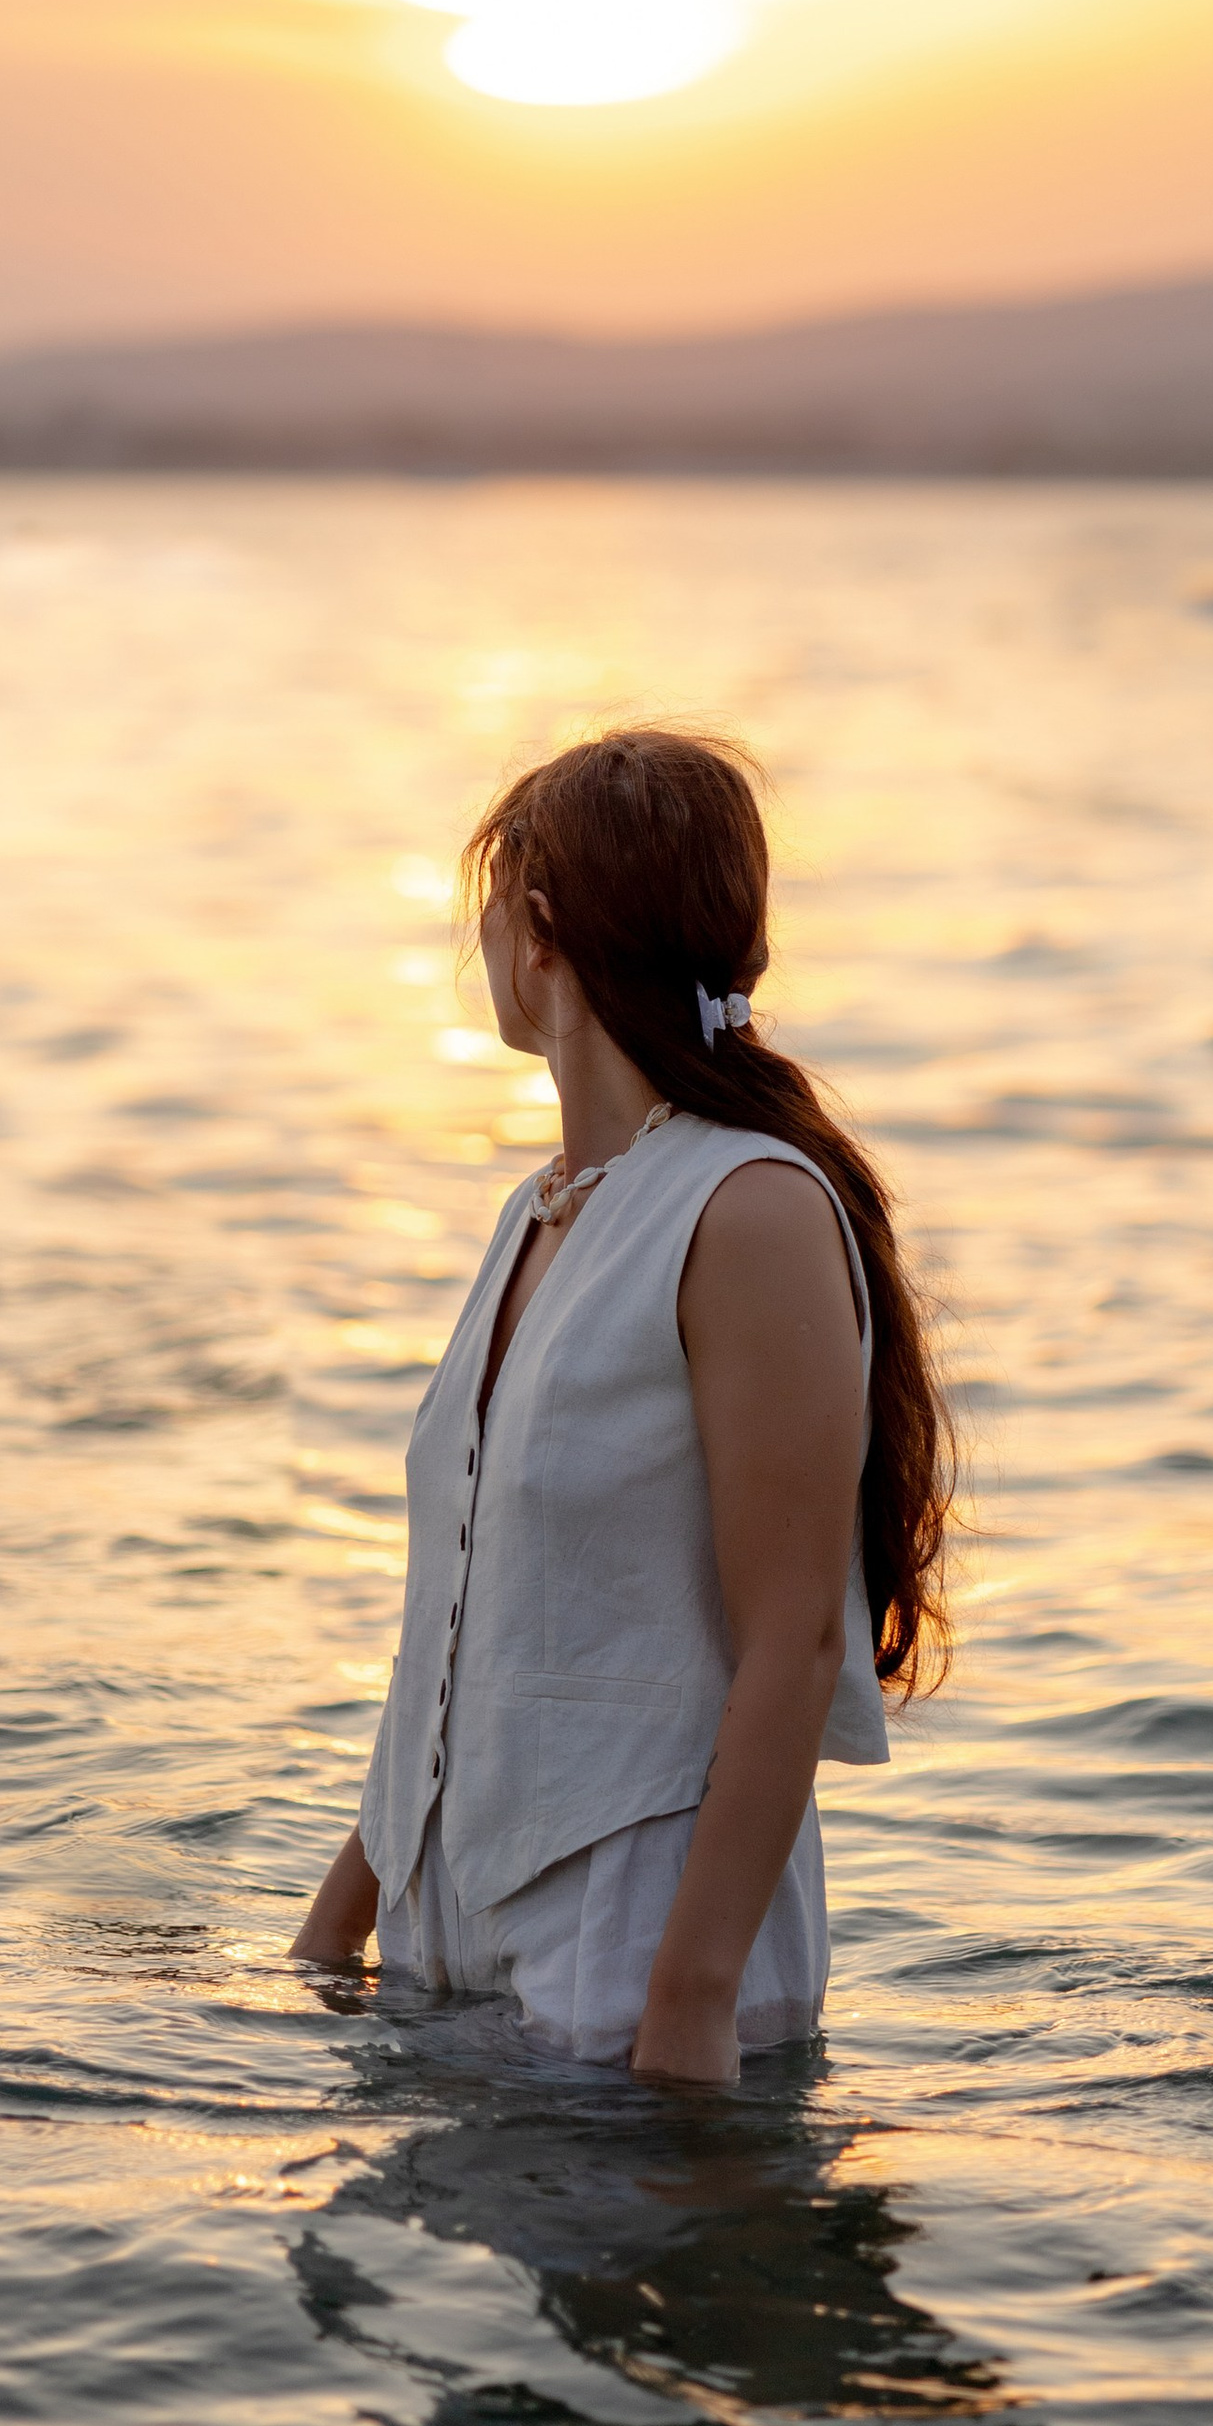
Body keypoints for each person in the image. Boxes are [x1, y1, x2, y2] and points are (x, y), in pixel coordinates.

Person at [290, 728, 954, 2084]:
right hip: (445, 1936)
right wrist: (328, 1937)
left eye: (487, 902)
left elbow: (791, 1643)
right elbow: (463, 1623)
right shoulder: (534, 1215)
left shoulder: (749, 1207)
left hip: (634, 1955)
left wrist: (689, 2007)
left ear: (537, 925)